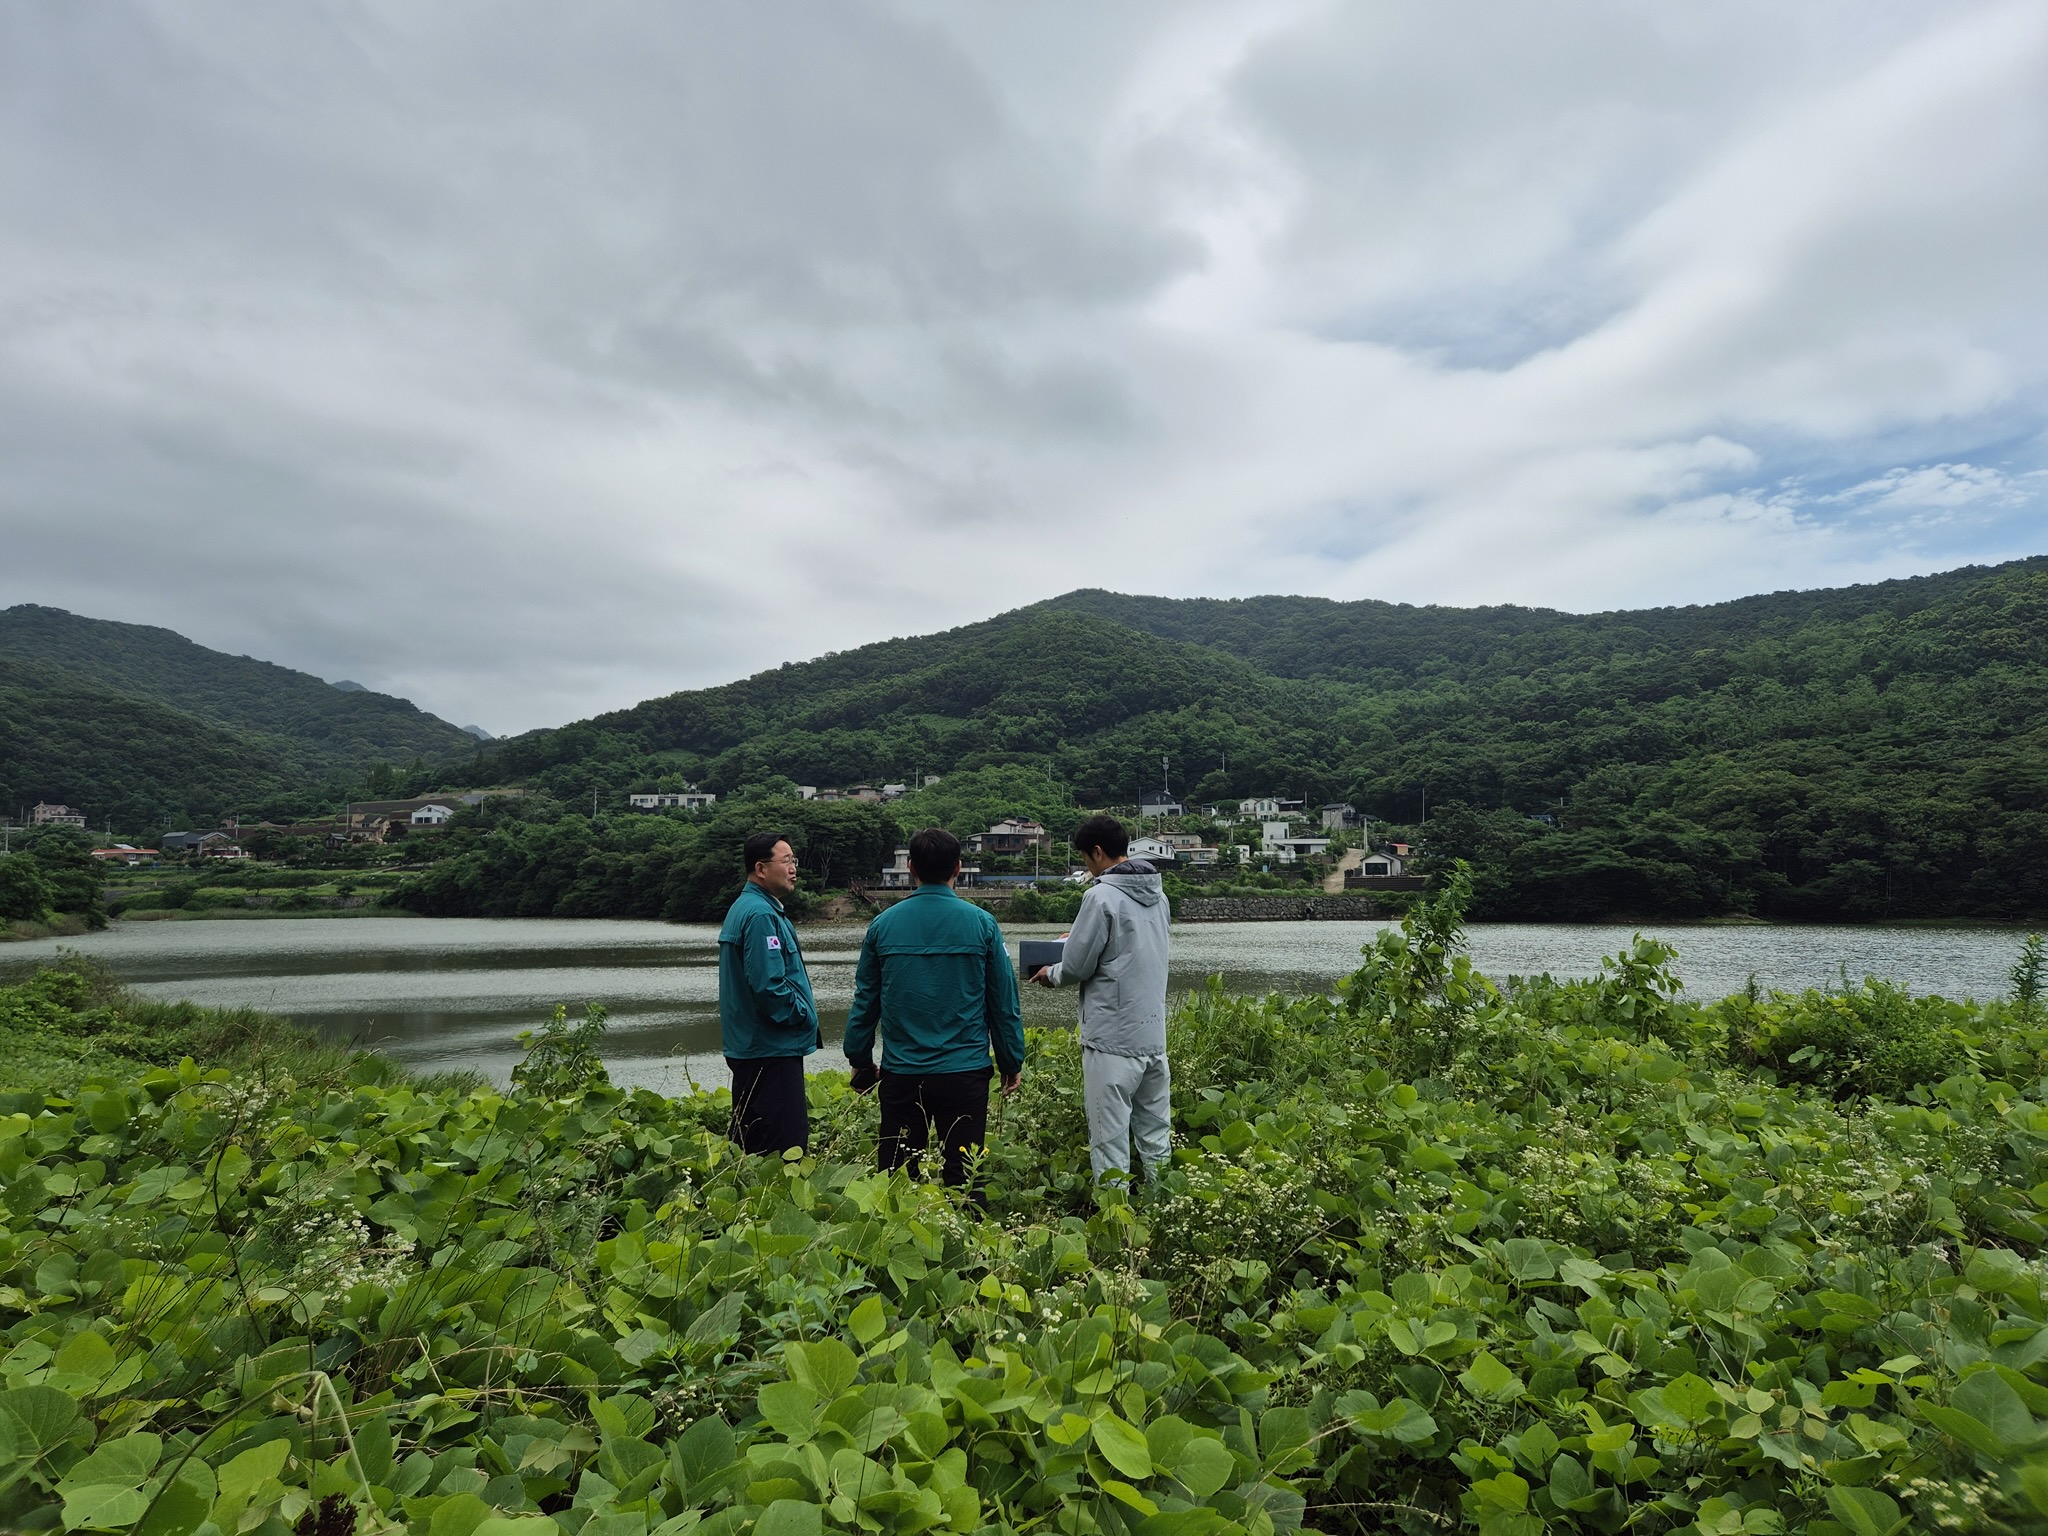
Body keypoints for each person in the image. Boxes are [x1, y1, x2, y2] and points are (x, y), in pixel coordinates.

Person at [845, 827, 1025, 1188]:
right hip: (965, 1073)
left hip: (903, 1073)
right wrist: (1010, 1061)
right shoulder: (982, 924)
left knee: (896, 1180)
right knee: (965, 1178)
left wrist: (860, 1060)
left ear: (911, 867)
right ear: (958, 868)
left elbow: (866, 1000)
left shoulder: (882, 925)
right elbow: (1003, 1002)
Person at [1028, 814, 1171, 1181]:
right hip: (1152, 1039)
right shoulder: (1158, 896)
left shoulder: (1100, 895)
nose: (1087, 867)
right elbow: (1126, 950)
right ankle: (1162, 1204)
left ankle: (1113, 1215)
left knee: (1109, 1143)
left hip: (1111, 1041)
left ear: (1096, 852)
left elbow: (1077, 967)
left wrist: (1051, 974)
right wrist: (1076, 938)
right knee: (1156, 1137)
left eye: (1085, 858)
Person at [717, 831, 819, 1155]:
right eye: (786, 861)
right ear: (761, 869)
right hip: (771, 1050)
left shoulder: (751, 907)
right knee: (785, 1150)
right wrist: (802, 1016)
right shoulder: (760, 915)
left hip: (755, 1048)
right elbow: (769, 987)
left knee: (752, 1147)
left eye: (794, 860)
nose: (793, 868)